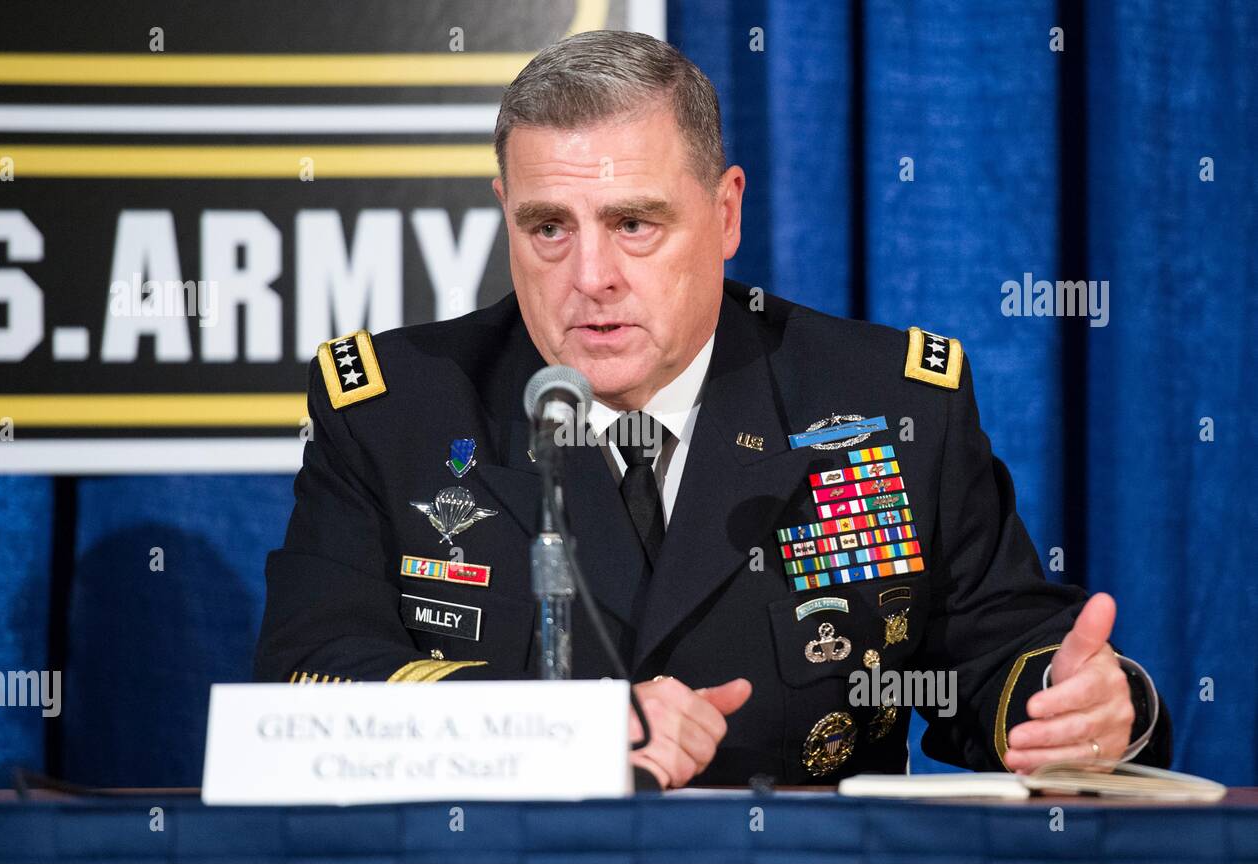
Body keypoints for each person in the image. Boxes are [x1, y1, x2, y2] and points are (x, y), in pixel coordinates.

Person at [255, 30, 1169, 788]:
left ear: (726, 214)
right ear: (505, 214)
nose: (590, 278)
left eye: (634, 224)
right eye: (548, 227)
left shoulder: (886, 404)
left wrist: (1073, 707)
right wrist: (561, 735)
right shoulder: (395, 408)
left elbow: (998, 659)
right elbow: (312, 686)